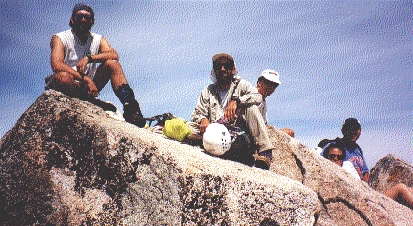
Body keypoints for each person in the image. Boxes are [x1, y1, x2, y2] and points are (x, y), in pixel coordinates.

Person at [45, 3, 145, 127]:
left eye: (87, 17)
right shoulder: (60, 38)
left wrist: (90, 58)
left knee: (112, 64)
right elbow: (57, 65)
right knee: (62, 77)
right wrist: (85, 78)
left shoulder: (97, 39)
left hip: (88, 87)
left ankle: (131, 108)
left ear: (92, 22)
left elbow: (113, 55)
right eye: (79, 16)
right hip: (71, 83)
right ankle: (90, 101)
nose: (83, 19)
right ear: (72, 20)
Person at [190, 53, 274, 169]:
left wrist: (237, 101)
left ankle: (265, 153)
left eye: (227, 66)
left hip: (237, 133)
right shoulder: (208, 91)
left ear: (233, 69)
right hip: (214, 131)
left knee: (251, 107)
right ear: (214, 70)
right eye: (219, 66)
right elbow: (197, 112)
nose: (223, 69)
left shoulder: (241, 85)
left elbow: (257, 97)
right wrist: (203, 119)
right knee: (188, 127)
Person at [319, 118, 370, 183]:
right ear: (343, 131)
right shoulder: (334, 146)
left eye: (355, 129)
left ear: (360, 131)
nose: (352, 132)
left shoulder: (358, 149)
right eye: (349, 129)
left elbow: (365, 172)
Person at [256, 69, 295, 138]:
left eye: (274, 85)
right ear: (260, 82)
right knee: (289, 133)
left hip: (260, 131)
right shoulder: (253, 95)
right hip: (254, 133)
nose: (271, 88)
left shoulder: (263, 101)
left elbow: (264, 123)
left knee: (289, 132)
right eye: (269, 84)